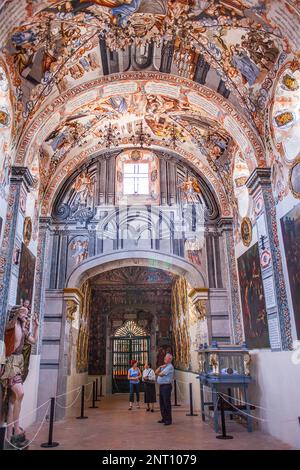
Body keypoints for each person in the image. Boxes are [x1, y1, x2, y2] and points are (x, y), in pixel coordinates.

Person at [155, 353, 174, 426]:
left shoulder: (170, 367)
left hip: (166, 386)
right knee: (162, 403)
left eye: (166, 358)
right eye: (165, 357)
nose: (164, 359)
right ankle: (164, 418)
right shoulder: (164, 366)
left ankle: (168, 420)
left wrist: (159, 372)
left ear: (169, 359)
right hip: (162, 386)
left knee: (166, 403)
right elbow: (156, 372)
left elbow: (160, 374)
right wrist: (160, 367)